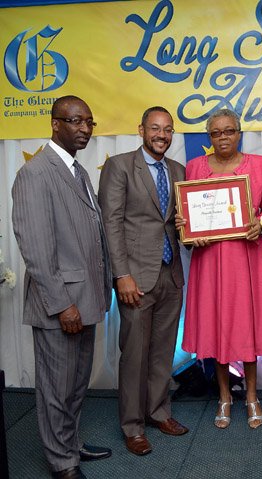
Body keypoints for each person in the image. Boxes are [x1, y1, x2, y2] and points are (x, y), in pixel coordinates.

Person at [12, 95, 112, 479]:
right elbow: (36, 248)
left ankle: (70, 445)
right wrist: (62, 305)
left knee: (74, 384)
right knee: (56, 388)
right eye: (75, 121)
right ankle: (61, 463)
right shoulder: (36, 173)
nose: (84, 129)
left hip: (85, 300)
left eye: (89, 121)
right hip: (62, 306)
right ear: (55, 124)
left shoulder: (79, 172)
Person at [179, 109, 262, 429]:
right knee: (217, 327)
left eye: (229, 131)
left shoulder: (259, 165)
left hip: (245, 260)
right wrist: (185, 227)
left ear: (239, 133)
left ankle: (252, 396)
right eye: (216, 133)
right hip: (209, 262)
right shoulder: (194, 167)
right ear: (209, 137)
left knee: (246, 326)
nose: (223, 138)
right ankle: (224, 396)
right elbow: (187, 212)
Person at [98, 106, 188, 456]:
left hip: (171, 273)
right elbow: (112, 223)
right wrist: (121, 275)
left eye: (167, 130)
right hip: (135, 277)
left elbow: (182, 222)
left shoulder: (178, 170)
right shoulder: (119, 166)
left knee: (163, 352)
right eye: (155, 128)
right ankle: (133, 426)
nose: (162, 135)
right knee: (134, 354)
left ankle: (158, 412)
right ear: (141, 130)